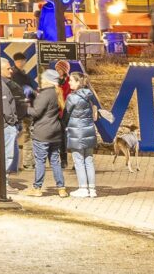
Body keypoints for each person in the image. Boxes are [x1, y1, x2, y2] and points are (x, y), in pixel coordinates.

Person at [23, 72, 68, 196]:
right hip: (55, 131)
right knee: (55, 161)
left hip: (43, 132)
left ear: (48, 80)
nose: (40, 80)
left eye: (42, 78)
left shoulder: (45, 94)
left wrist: (25, 106)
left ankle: (37, 188)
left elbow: (36, 112)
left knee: (40, 161)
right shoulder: (57, 92)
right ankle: (61, 188)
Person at [63, 70, 103, 198]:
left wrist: (63, 126)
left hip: (76, 132)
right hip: (89, 130)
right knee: (89, 160)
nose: (69, 83)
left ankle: (83, 188)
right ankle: (92, 189)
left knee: (78, 161)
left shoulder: (72, 97)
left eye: (71, 80)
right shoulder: (90, 95)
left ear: (77, 82)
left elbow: (66, 114)